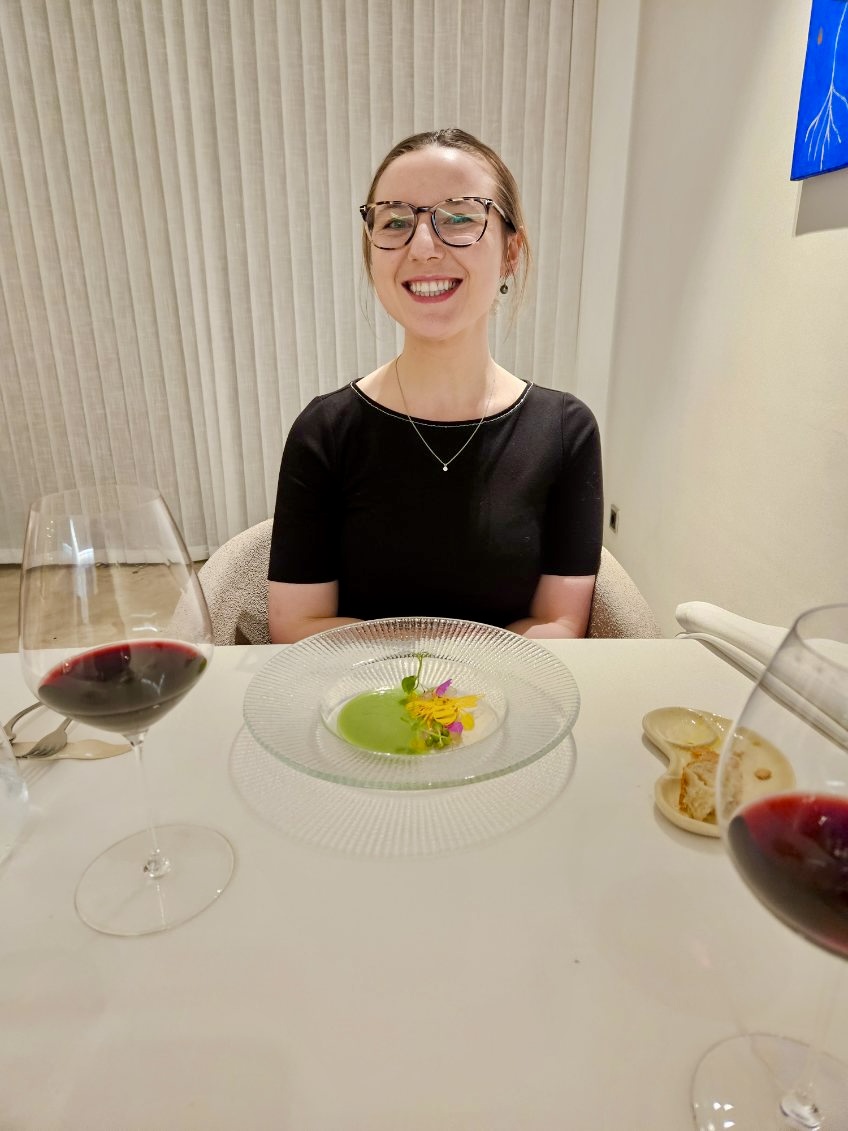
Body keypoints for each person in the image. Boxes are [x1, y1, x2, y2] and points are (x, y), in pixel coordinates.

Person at [268, 127, 603, 643]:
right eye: (395, 222)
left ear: (511, 251)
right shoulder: (326, 430)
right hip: (359, 707)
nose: (423, 247)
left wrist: (458, 705)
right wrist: (422, 698)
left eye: (461, 217)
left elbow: (558, 621)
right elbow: (297, 624)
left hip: (512, 709)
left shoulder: (565, 431)